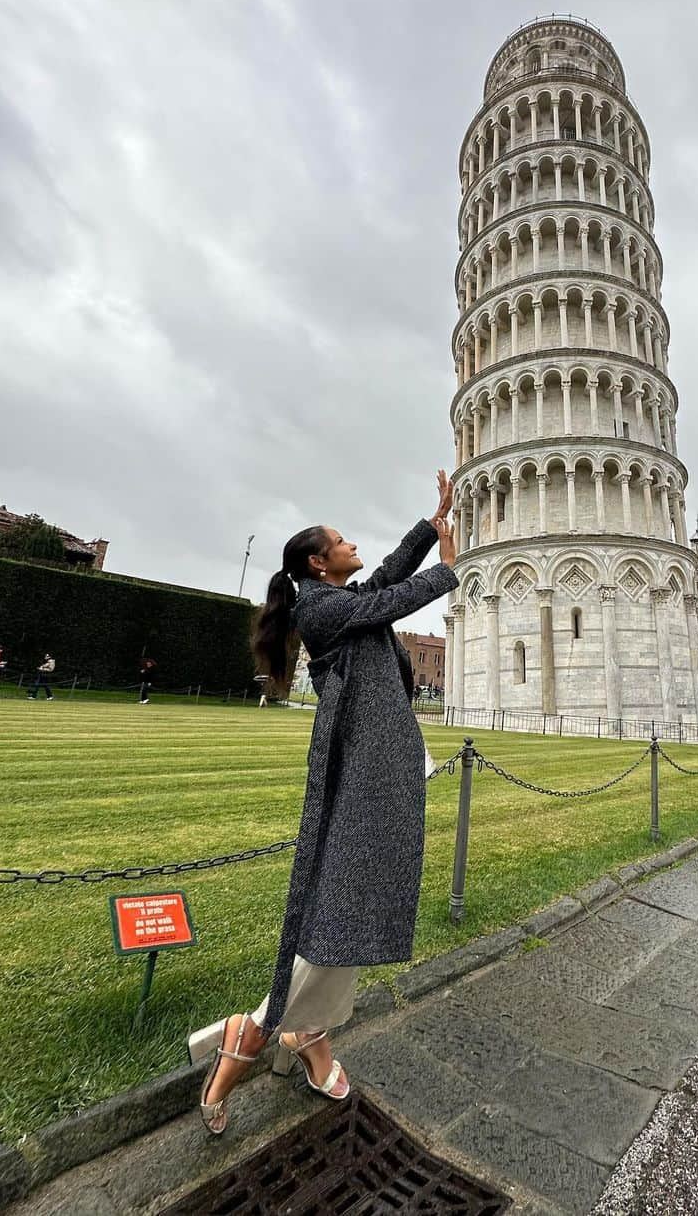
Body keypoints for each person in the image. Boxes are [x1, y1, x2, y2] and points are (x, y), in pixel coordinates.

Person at [188, 471, 459, 1136]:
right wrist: (447, 567)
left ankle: (307, 1034)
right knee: (342, 899)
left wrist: (431, 523)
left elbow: (386, 577)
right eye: (340, 541)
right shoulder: (321, 610)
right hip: (362, 767)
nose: (350, 543)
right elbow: (391, 600)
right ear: (317, 563)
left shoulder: (334, 599)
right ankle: (252, 1032)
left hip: (380, 761)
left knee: (359, 899)